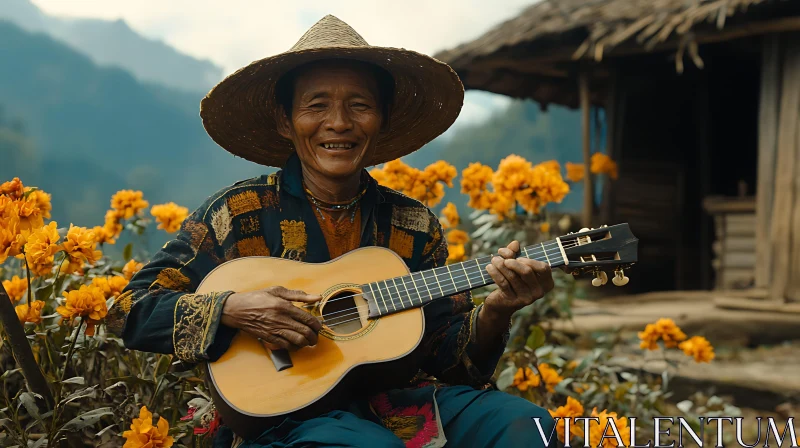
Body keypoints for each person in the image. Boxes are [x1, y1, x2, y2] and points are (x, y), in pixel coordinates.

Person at [107, 15, 557, 448]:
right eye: (317, 105)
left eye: (359, 105)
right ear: (286, 121)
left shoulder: (413, 225)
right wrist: (235, 308)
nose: (339, 123)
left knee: (528, 426)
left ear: (381, 119)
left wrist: (497, 310)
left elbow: (452, 362)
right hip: (284, 418)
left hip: (397, 405)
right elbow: (128, 310)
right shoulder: (238, 213)